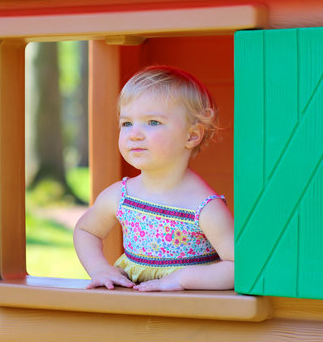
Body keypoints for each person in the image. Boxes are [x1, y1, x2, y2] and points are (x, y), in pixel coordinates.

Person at [73, 66, 234, 292]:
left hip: (188, 312)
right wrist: (99, 268)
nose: (134, 134)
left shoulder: (204, 207)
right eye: (126, 123)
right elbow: (86, 231)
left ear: (192, 135)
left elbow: (237, 268)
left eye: (153, 122)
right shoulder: (121, 195)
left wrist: (182, 279)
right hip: (134, 309)